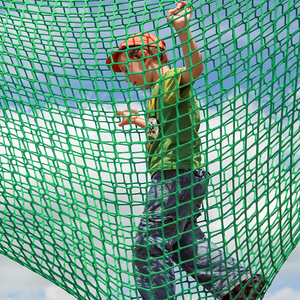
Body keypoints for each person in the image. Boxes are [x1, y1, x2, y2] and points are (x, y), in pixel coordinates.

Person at [106, 2, 267, 299]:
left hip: (172, 178)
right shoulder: (155, 96)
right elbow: (157, 131)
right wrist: (138, 120)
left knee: (149, 244)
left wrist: (182, 31)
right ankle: (235, 282)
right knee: (182, 244)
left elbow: (194, 68)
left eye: (127, 68)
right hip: (187, 179)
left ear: (144, 56)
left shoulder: (166, 80)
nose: (127, 77)